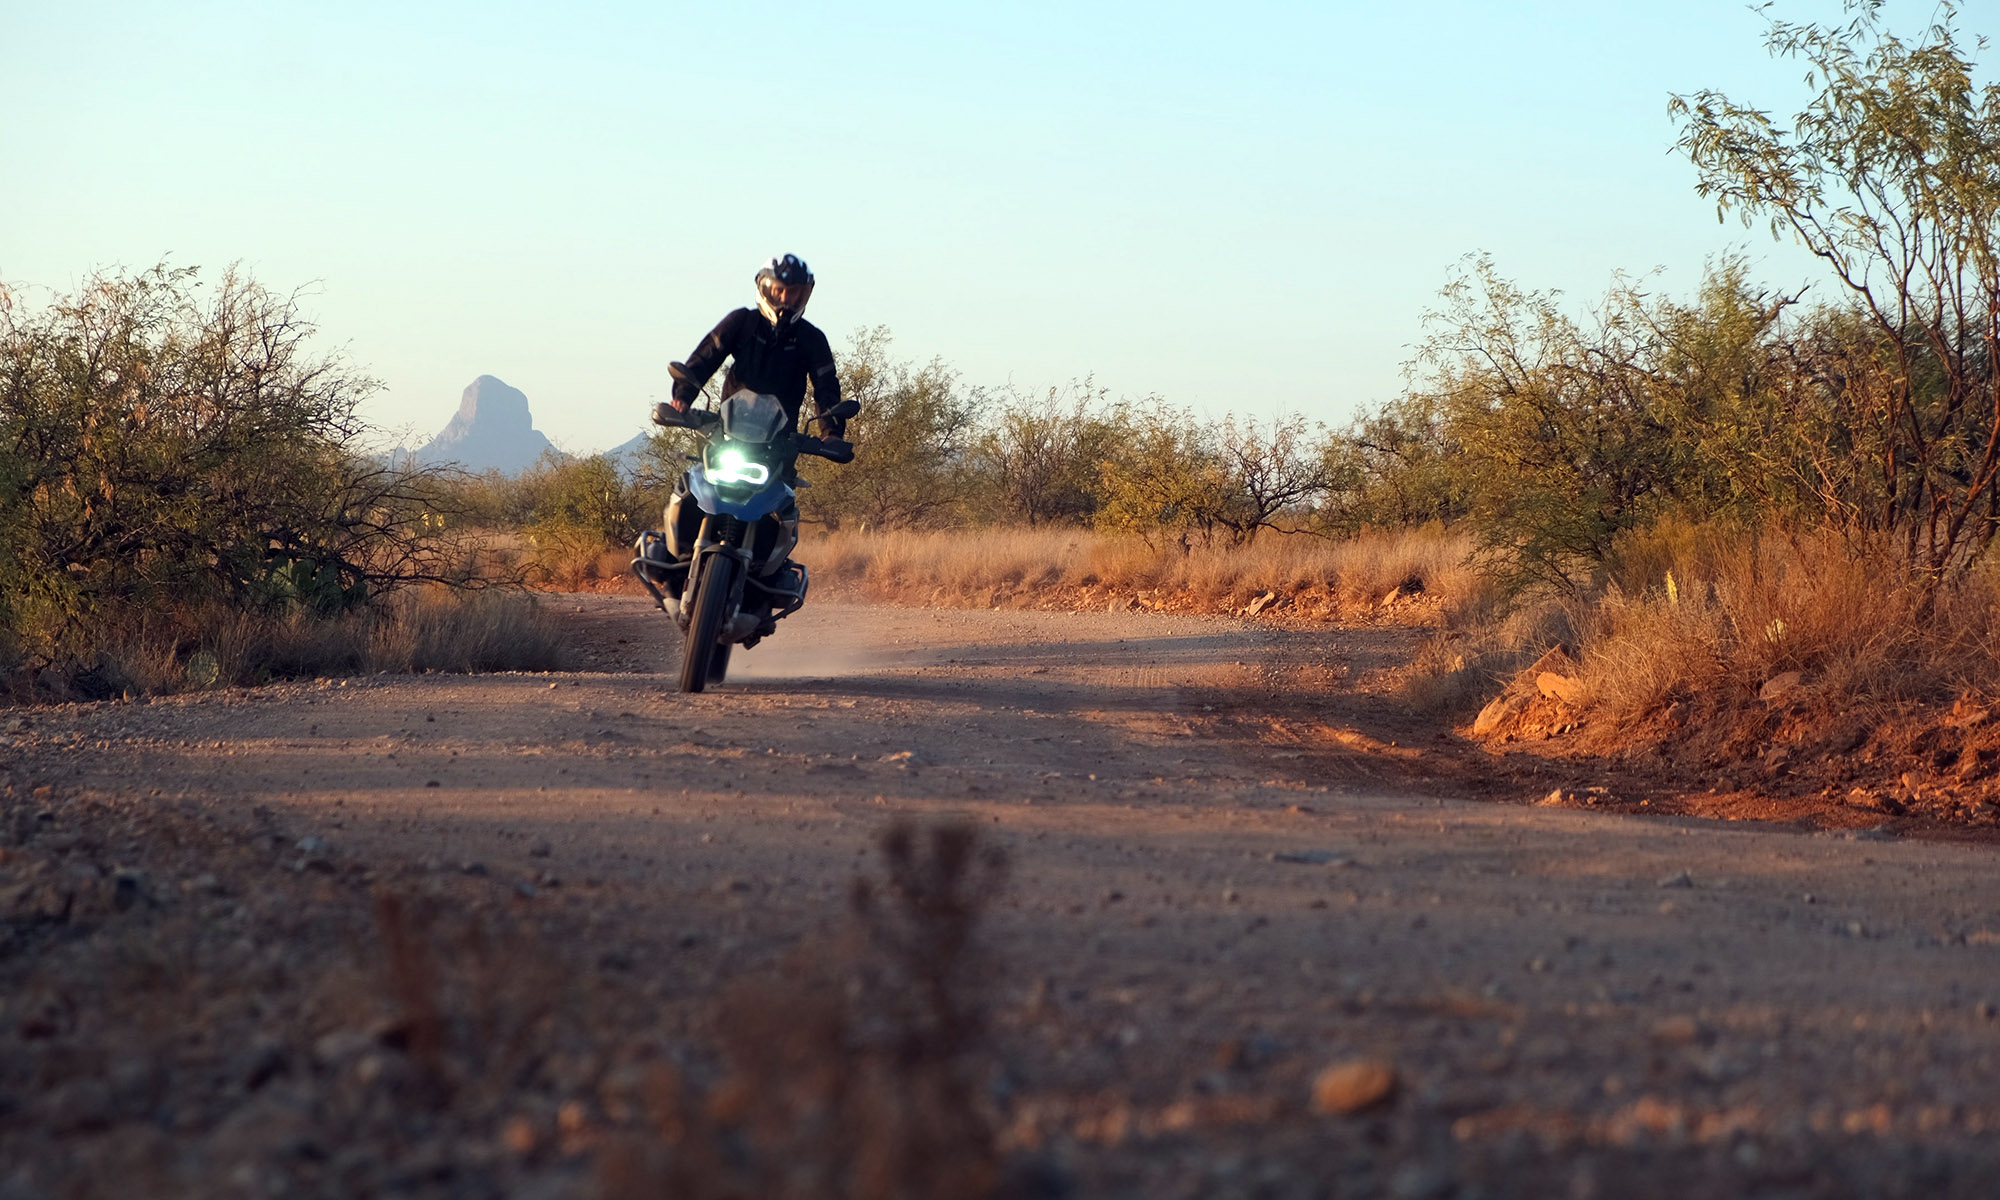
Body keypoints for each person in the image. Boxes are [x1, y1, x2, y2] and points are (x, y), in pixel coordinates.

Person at [667, 253, 850, 439]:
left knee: (788, 469)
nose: (785, 300)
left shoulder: (812, 338)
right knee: (696, 468)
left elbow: (826, 387)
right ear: (764, 289)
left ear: (805, 294)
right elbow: (706, 357)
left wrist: (831, 433)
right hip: (726, 435)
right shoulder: (742, 322)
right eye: (779, 291)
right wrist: (683, 397)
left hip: (781, 444)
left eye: (794, 293)